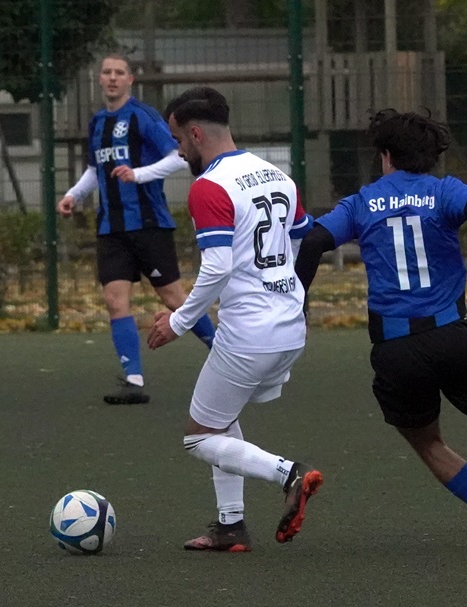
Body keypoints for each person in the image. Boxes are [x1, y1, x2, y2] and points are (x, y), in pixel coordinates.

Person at [294, 109, 467, 545]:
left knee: (428, 443)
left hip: (397, 346)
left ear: (386, 154)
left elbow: (312, 241)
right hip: (455, 337)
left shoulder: (362, 202)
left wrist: (297, 306)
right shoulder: (443, 191)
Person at [146, 86, 323, 552]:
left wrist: (178, 322)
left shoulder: (209, 186)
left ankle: (289, 474)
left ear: (195, 133)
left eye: (177, 139)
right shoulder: (278, 175)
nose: (177, 151)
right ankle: (230, 526)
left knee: (198, 439)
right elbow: (303, 240)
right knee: (220, 421)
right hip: (290, 328)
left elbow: (218, 268)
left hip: (249, 334)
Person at [57, 53, 216, 405]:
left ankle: (223, 352)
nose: (113, 78)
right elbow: (95, 169)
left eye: (120, 72)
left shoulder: (142, 116)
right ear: (100, 79)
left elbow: (177, 157)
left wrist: (138, 174)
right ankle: (133, 380)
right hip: (111, 228)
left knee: (174, 299)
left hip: (148, 224)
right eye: (107, 72)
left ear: (130, 79)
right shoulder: (97, 122)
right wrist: (73, 195)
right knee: (115, 302)